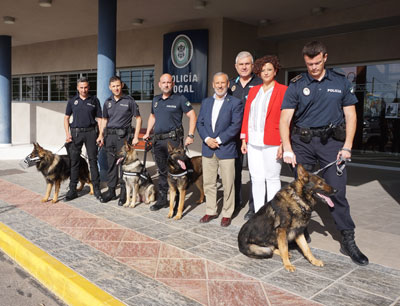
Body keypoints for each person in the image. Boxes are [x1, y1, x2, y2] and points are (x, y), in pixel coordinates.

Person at [279, 41, 369, 266]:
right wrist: (287, 148)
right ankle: (301, 231)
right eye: (309, 63)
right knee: (301, 192)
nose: (314, 67)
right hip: (303, 143)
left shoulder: (339, 82)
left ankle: (347, 239)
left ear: (325, 57)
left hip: (332, 144)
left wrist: (347, 146)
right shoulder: (297, 84)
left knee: (336, 191)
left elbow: (351, 116)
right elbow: (285, 119)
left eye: (317, 62)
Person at [143, 73, 197, 211]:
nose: (166, 85)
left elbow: (192, 115)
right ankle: (162, 200)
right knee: (162, 171)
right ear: (159, 84)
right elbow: (152, 117)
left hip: (173, 141)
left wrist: (191, 135)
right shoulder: (155, 100)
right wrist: (148, 132)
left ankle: (178, 200)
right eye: (163, 82)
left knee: (178, 171)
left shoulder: (180, 99)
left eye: (169, 82)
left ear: (172, 84)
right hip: (158, 141)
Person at [240, 55, 287, 213]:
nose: (266, 73)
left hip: (273, 141)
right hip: (253, 141)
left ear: (275, 71)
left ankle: (273, 213)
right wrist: (244, 138)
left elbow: (286, 118)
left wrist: (283, 143)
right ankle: (259, 213)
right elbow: (247, 115)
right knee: (256, 178)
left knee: (272, 179)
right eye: (263, 70)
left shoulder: (282, 90)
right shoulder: (253, 91)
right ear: (259, 73)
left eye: (269, 70)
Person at [197, 72, 244, 227]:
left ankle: (227, 213)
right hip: (208, 148)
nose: (220, 85)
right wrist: (207, 139)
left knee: (228, 182)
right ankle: (211, 210)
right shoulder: (206, 102)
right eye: (217, 83)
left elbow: (235, 125)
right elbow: (200, 123)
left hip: (226, 149)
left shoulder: (235, 103)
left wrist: (218, 140)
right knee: (209, 182)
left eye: (223, 82)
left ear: (227, 84)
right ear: (213, 84)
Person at [97, 76, 142, 205]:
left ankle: (123, 194)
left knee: (124, 166)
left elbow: (138, 119)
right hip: (109, 137)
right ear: (110, 87)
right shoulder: (107, 102)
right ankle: (111, 192)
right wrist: (101, 135)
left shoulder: (129, 101)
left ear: (121, 85)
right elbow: (104, 120)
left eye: (118, 85)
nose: (116, 88)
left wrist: (136, 137)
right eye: (113, 86)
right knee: (111, 165)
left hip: (123, 139)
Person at [229, 51, 262, 220]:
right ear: (236, 66)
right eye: (241, 64)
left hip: (254, 134)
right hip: (233, 136)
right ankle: (235, 203)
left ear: (252, 65)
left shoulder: (260, 83)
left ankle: (254, 207)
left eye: (247, 64)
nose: (244, 67)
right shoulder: (230, 85)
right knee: (233, 171)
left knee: (255, 173)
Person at [64, 77, 102, 201]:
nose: (84, 90)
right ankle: (72, 190)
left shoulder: (94, 100)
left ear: (89, 87)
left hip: (91, 133)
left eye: (86, 87)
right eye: (81, 87)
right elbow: (66, 118)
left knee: (93, 161)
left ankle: (96, 189)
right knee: (74, 162)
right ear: (77, 88)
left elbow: (100, 119)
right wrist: (67, 134)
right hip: (76, 134)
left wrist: (101, 135)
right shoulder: (72, 101)